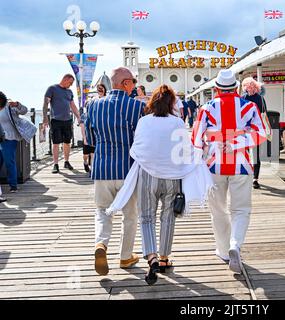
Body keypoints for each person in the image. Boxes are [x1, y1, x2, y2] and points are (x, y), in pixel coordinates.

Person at [105, 84, 213, 285]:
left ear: (152, 102)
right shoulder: (178, 123)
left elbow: (136, 148)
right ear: (172, 103)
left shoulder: (144, 121)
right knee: (167, 217)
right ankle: (164, 258)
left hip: (148, 176)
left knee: (146, 218)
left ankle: (151, 257)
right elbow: (185, 151)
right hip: (172, 177)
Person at [192, 70, 267, 274]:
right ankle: (235, 244)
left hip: (214, 166)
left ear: (216, 89)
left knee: (218, 210)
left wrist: (199, 160)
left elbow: (196, 140)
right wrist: (236, 143)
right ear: (236, 88)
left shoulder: (206, 108)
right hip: (242, 165)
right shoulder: (249, 106)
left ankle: (224, 251)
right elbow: (262, 134)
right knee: (241, 210)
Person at [84, 67, 145, 276]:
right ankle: (125, 257)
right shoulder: (136, 107)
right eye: (134, 83)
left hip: (101, 167)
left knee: (102, 210)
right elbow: (141, 139)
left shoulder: (93, 105)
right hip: (127, 169)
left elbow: (90, 139)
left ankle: (101, 245)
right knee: (130, 215)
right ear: (126, 83)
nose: (134, 86)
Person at [43, 74, 81, 174]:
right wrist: (45, 118)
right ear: (65, 79)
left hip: (67, 120)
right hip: (55, 120)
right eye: (70, 82)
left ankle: (66, 161)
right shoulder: (52, 89)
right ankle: (55, 164)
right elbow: (46, 103)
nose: (71, 85)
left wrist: (78, 117)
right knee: (55, 143)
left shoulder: (69, 92)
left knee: (67, 142)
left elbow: (72, 105)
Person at [0, 91, 28, 193]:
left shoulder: (9, 105)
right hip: (0, 138)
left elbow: (25, 110)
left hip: (10, 138)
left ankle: (13, 185)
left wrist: (17, 104)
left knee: (9, 162)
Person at [241, 77, 267, 189]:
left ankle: (255, 179)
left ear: (256, 87)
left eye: (251, 86)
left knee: (255, 155)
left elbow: (264, 114)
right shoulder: (242, 98)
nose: (249, 88)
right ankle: (247, 175)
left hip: (256, 130)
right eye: (247, 86)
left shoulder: (260, 99)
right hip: (244, 130)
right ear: (244, 87)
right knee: (244, 154)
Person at [80, 84, 107, 173]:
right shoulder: (84, 116)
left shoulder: (97, 115)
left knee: (93, 153)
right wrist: (84, 138)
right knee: (86, 154)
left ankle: (93, 169)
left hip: (94, 136)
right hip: (87, 137)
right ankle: (85, 162)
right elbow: (83, 128)